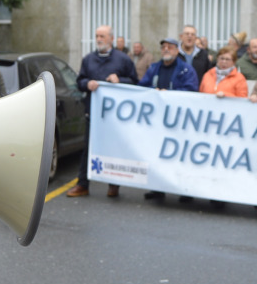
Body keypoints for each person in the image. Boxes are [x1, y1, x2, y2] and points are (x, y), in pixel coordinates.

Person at [68, 25, 137, 198]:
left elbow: (135, 82)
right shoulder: (88, 59)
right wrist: (87, 84)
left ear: (111, 39)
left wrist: (119, 80)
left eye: (102, 36)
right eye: (97, 36)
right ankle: (83, 184)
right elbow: (79, 81)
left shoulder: (123, 59)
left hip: (115, 116)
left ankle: (114, 185)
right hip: (93, 112)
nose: (99, 39)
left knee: (113, 148)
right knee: (88, 148)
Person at [140, 37, 198, 201]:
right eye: (163, 47)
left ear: (177, 50)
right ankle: (157, 188)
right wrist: (155, 91)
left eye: (170, 47)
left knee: (180, 156)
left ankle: (185, 191)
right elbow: (142, 86)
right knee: (157, 154)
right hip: (158, 121)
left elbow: (192, 90)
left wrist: (170, 94)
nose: (166, 50)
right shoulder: (154, 68)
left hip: (179, 121)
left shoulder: (186, 70)